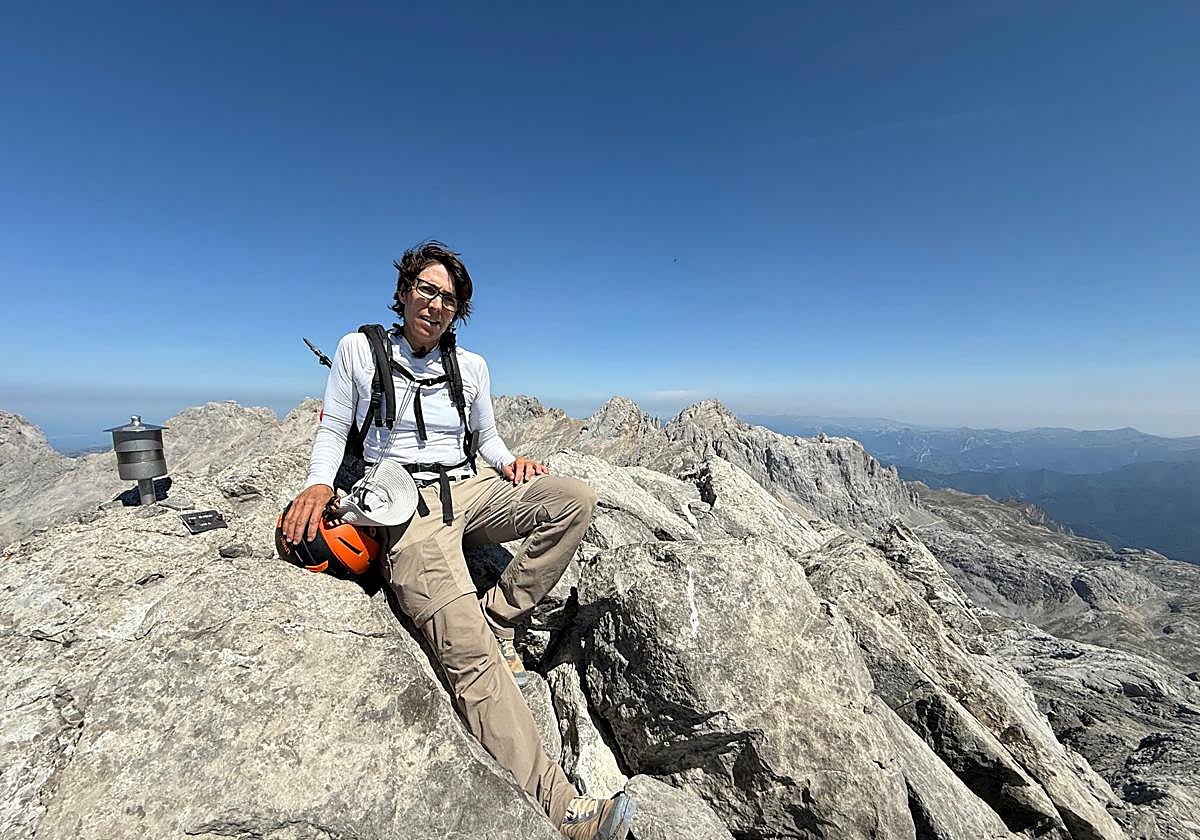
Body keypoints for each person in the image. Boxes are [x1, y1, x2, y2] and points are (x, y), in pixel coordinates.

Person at [281, 241, 635, 840]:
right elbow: (336, 426)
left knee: (574, 499)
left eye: (449, 298)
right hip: (402, 514)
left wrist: (512, 462)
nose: (436, 304)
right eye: (426, 289)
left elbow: (487, 439)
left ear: (458, 310)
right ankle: (565, 809)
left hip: (466, 490)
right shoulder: (359, 351)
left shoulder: (470, 367)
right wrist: (318, 485)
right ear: (403, 292)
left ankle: (500, 617)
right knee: (468, 656)